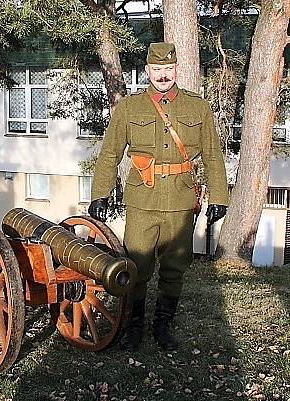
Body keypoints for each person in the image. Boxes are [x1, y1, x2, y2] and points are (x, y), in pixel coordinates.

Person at [88, 42, 228, 352]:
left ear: (176, 70)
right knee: (135, 266)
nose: (162, 75)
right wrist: (100, 193)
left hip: (180, 201)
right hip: (142, 201)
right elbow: (110, 153)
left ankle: (162, 327)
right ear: (148, 71)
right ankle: (134, 327)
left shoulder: (197, 107)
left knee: (175, 266)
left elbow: (213, 156)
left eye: (168, 69)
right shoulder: (129, 107)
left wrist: (220, 196)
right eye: (156, 70)